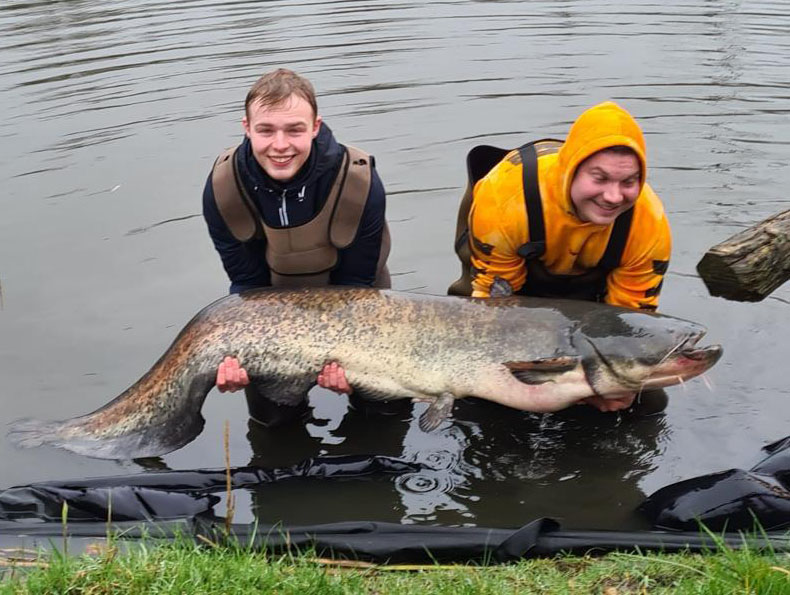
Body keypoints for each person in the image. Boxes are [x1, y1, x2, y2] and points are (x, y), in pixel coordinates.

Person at [448, 101, 671, 414]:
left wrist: (613, 384)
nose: (613, 196)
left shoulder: (650, 225)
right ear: (572, 171)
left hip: (590, 279)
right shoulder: (504, 200)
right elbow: (493, 312)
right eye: (599, 178)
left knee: (648, 402)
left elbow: (626, 323)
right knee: (479, 394)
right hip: (503, 276)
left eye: (628, 182)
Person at [202, 68, 391, 425]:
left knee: (385, 408)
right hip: (269, 309)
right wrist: (239, 358)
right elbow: (246, 286)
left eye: (294, 129)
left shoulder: (360, 180)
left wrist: (341, 358)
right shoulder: (222, 188)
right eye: (266, 130)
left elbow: (358, 287)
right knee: (272, 420)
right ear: (246, 127)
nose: (280, 145)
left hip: (359, 303)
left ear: (315, 127)